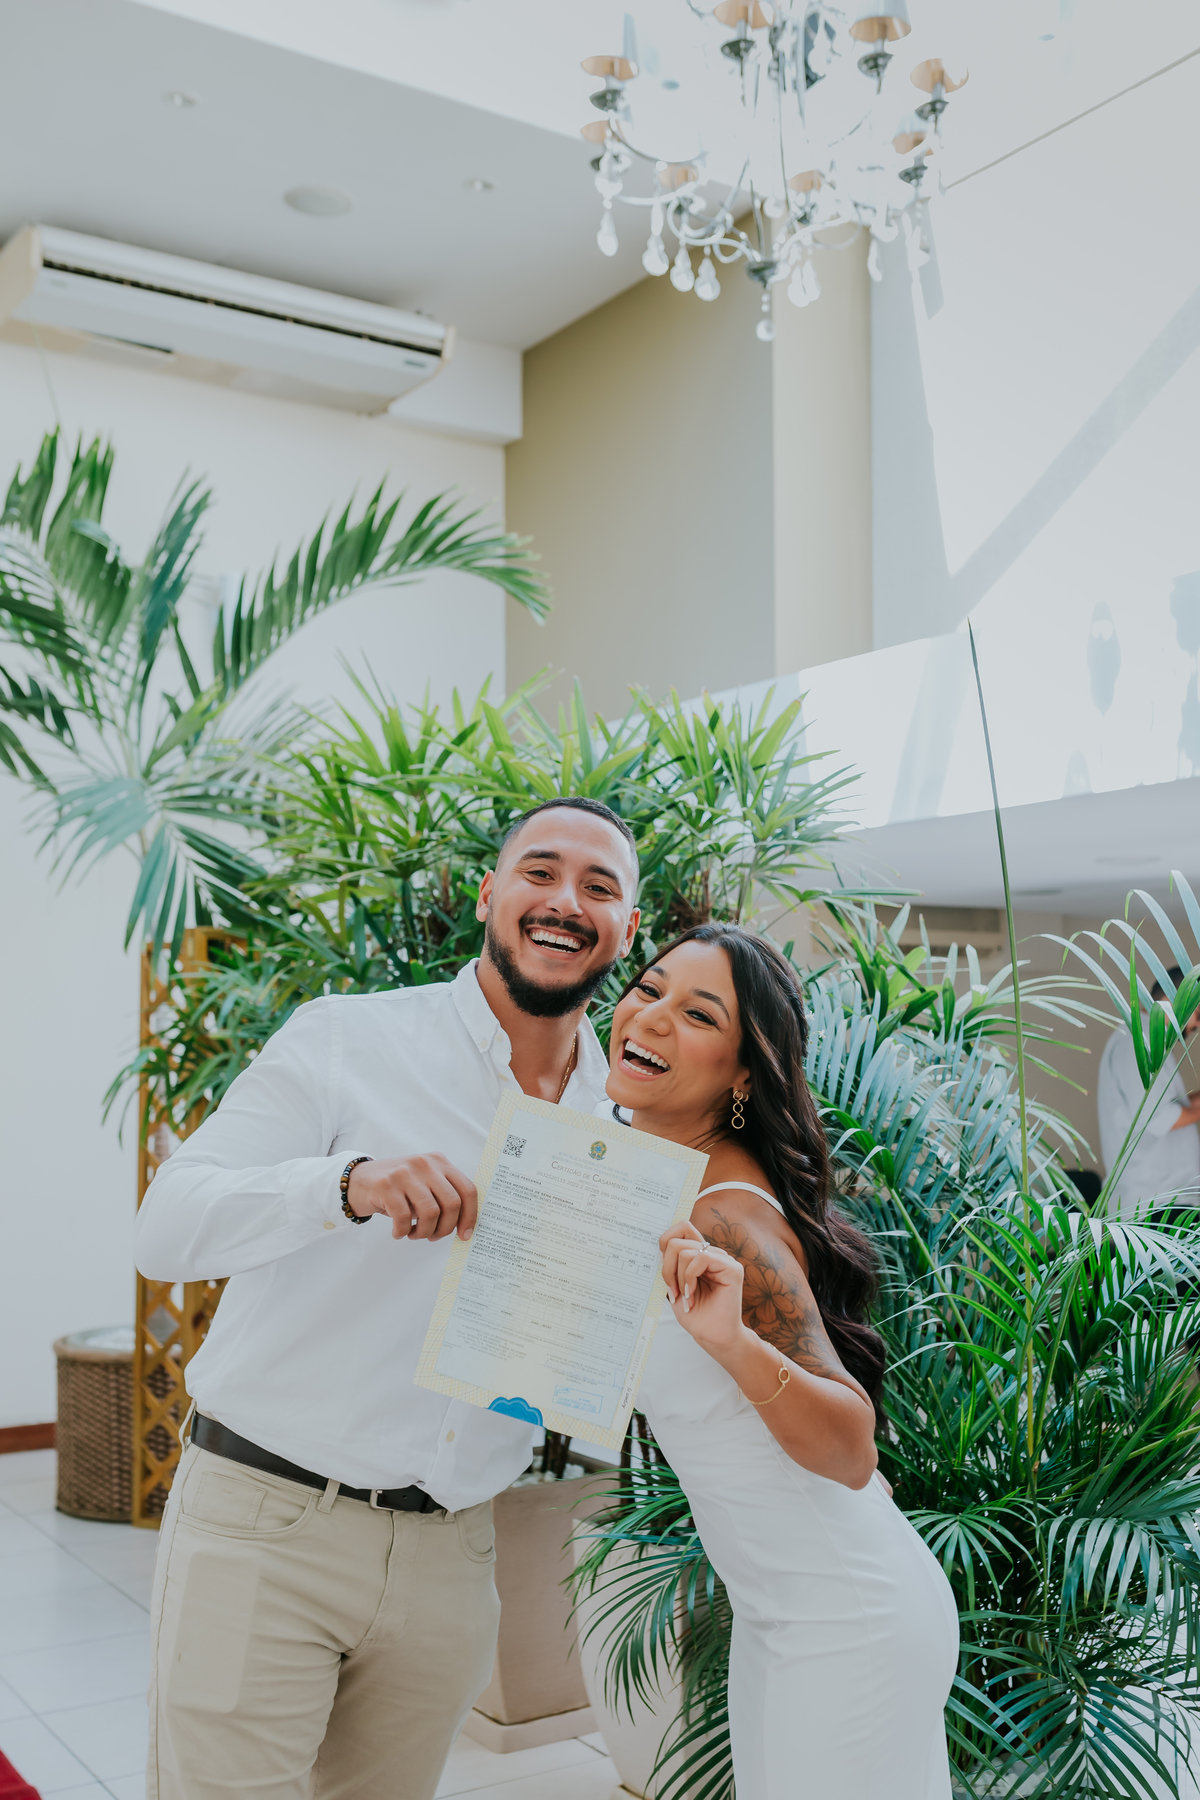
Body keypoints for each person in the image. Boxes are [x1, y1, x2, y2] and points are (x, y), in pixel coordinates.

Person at [133, 797, 640, 1800]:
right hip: (267, 1522)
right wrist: (344, 1185)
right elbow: (167, 1225)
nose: (565, 902)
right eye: (540, 872)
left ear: (630, 926)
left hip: (455, 1552)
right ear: (491, 893)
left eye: (600, 887)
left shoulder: (624, 1124)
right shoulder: (347, 1039)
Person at [605, 923, 959, 1800]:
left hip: (846, 1615)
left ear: (742, 1074)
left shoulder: (726, 1215)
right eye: (647, 990)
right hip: (786, 1608)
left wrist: (729, 1342)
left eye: (697, 1013)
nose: (650, 1018)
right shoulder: (656, 1174)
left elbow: (850, 1448)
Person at [1097, 967, 1200, 1216]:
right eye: (1197, 1013)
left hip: (1163, 1200)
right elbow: (1161, 1118)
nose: (1197, 1024)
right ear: (1172, 1000)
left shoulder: (1143, 1038)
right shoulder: (1140, 1041)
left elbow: (1177, 1107)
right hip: (1157, 1205)